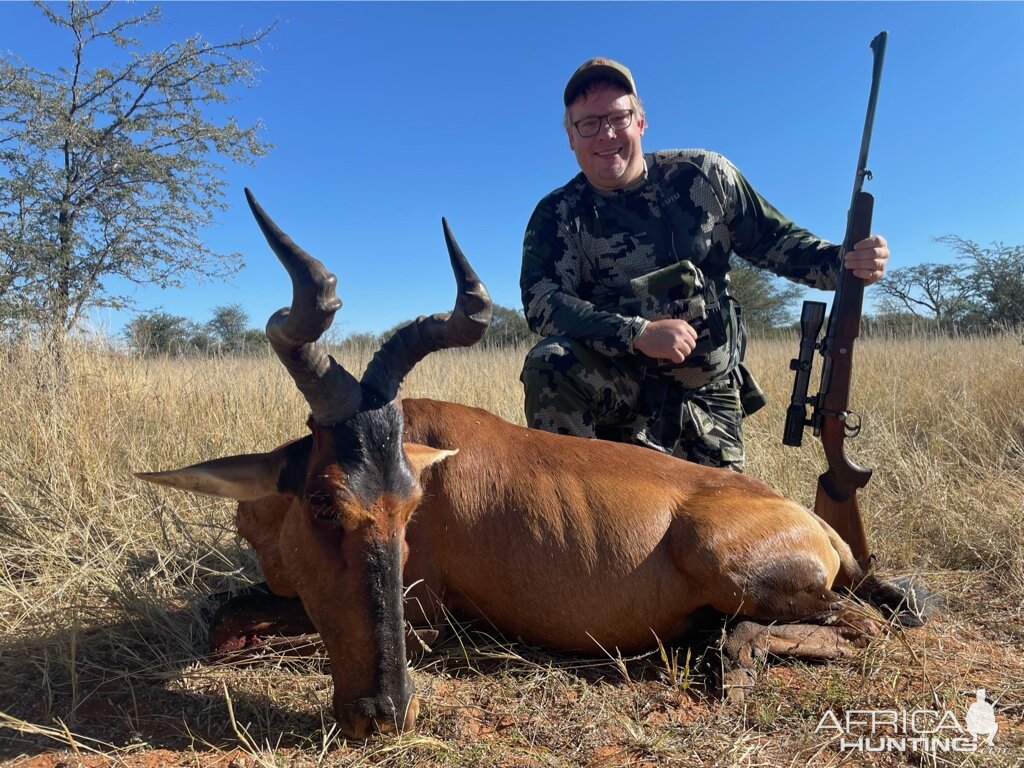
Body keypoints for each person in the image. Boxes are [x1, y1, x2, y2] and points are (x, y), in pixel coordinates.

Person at [520, 57, 890, 471]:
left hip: (705, 392)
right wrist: (637, 333)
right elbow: (543, 302)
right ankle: (571, 511)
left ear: (641, 122)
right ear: (571, 137)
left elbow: (776, 242)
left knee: (721, 526)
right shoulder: (557, 215)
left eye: (618, 117)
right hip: (616, 387)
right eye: (588, 123)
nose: (605, 134)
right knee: (550, 362)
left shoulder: (704, 175)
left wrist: (846, 261)